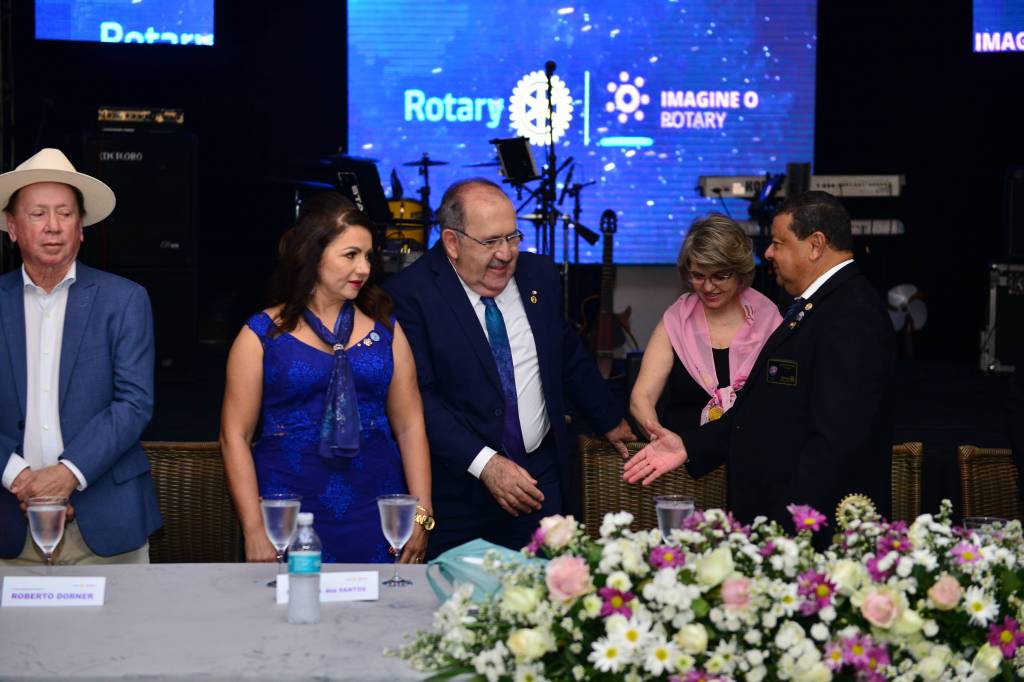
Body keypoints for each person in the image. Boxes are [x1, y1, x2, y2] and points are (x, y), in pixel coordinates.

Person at [384, 178, 635, 558]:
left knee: (549, 587)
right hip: (458, 492)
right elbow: (420, 399)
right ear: (452, 242)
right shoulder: (410, 294)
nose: (506, 254)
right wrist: (485, 464)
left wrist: (610, 418)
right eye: (490, 242)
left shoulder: (540, 275)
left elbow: (565, 353)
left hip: (539, 482)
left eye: (512, 237)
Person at [625, 190, 895, 529]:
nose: (768, 252)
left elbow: (836, 440)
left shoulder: (850, 313)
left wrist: (788, 518)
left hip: (818, 522)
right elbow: (763, 411)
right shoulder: (816, 307)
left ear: (815, 245)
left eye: (778, 243)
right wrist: (689, 445)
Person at [220, 193, 432, 564]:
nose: (364, 268)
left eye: (368, 256)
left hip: (376, 513)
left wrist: (422, 513)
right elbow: (234, 436)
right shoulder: (261, 335)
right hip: (286, 514)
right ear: (313, 254)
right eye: (351, 255)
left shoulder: (386, 330)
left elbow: (411, 425)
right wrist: (253, 529)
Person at [0, 148, 161, 564]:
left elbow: (134, 403)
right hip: (9, 524)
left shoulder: (124, 300)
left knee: (123, 612)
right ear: (12, 227)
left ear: (81, 228)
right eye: (38, 214)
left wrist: (67, 474)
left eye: (65, 213)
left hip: (106, 519)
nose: (53, 226)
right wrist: (19, 478)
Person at [630, 214, 781, 441]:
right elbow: (641, 398)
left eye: (720, 276)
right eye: (698, 276)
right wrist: (661, 440)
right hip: (682, 456)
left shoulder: (768, 319)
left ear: (740, 272)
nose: (708, 287)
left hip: (751, 452)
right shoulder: (676, 320)